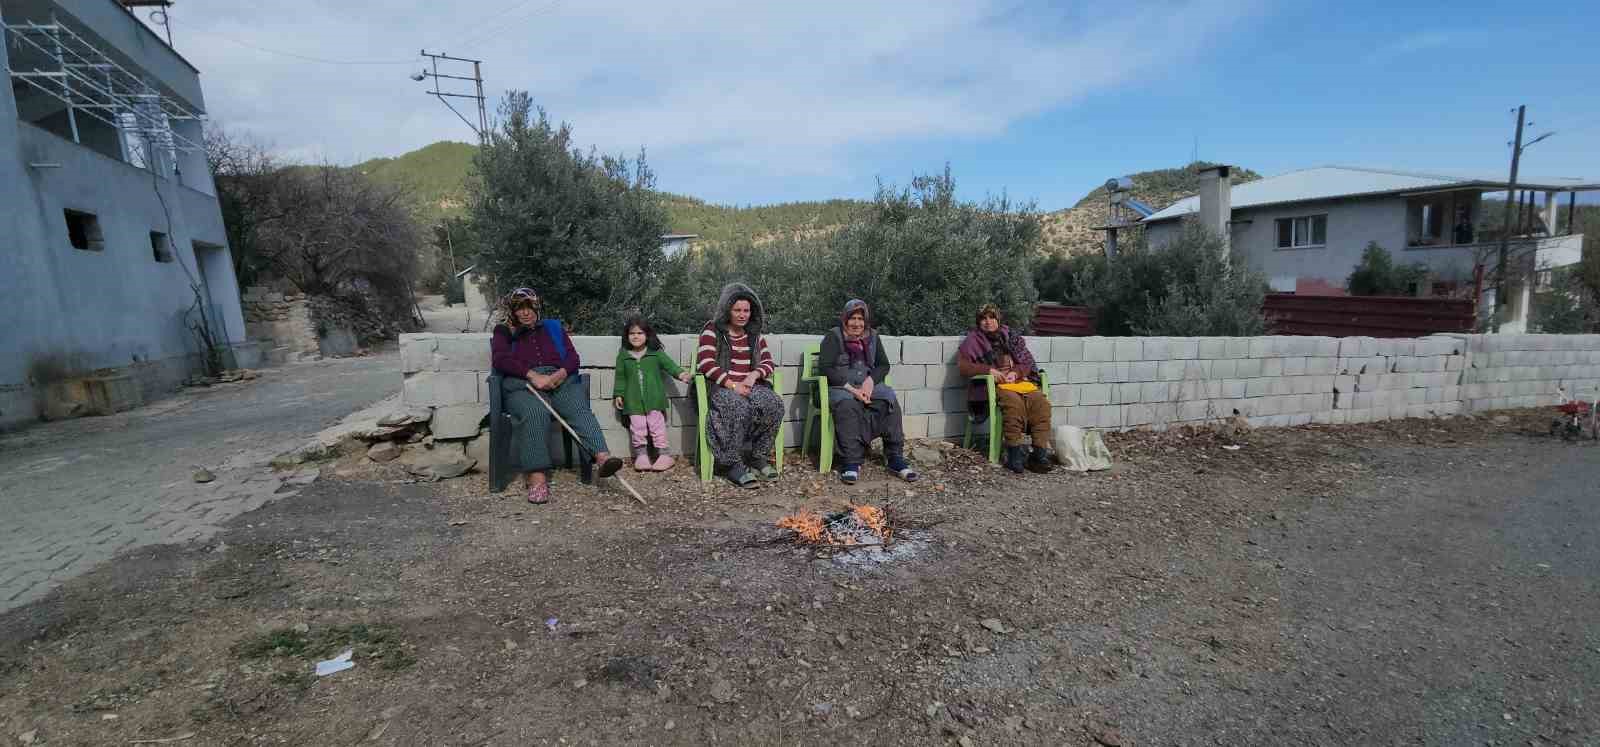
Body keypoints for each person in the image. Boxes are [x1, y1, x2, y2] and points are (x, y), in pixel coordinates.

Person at [490, 288, 622, 504]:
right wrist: (532, 376)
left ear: (537, 308)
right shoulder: (504, 331)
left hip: (559, 379)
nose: (525, 313)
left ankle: (602, 457)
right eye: (519, 308)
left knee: (577, 408)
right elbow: (500, 359)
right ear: (513, 311)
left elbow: (573, 358)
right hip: (523, 383)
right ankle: (537, 477)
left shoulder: (552, 327)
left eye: (529, 308)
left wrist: (559, 374)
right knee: (535, 411)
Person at [818, 299, 917, 484]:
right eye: (852, 318)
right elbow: (826, 368)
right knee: (848, 405)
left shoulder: (872, 336)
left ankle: (895, 457)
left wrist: (869, 383)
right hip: (841, 387)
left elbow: (883, 365)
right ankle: (851, 461)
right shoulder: (833, 336)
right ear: (845, 319)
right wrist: (852, 390)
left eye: (860, 318)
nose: (856, 323)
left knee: (888, 400)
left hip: (866, 385)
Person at [696, 282, 784, 488]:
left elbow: (768, 363)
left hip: (750, 385)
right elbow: (706, 363)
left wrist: (753, 375)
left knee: (774, 404)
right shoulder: (712, 330)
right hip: (722, 387)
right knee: (738, 406)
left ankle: (757, 457)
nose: (742, 314)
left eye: (746, 310)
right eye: (737, 310)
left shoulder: (754, 335)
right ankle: (732, 463)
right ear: (728, 310)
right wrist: (733, 385)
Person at [956, 303, 1054, 474]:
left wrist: (1015, 373)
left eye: (991, 317)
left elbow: (1027, 362)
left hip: (1019, 382)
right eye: (983, 319)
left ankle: (1039, 455)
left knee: (1041, 404)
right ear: (978, 322)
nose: (988, 322)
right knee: (1013, 405)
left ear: (998, 319)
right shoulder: (973, 340)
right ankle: (1014, 455)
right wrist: (988, 370)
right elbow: (963, 367)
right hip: (996, 386)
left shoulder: (1010, 336)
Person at [612, 315, 692, 472]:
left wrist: (682, 375)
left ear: (647, 335)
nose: (636, 336)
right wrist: (618, 394)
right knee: (638, 427)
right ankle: (641, 456)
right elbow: (620, 377)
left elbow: (670, 366)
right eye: (632, 333)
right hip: (633, 400)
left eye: (640, 333)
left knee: (657, 427)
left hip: (654, 399)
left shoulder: (655, 353)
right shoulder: (623, 355)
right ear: (627, 336)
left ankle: (664, 455)